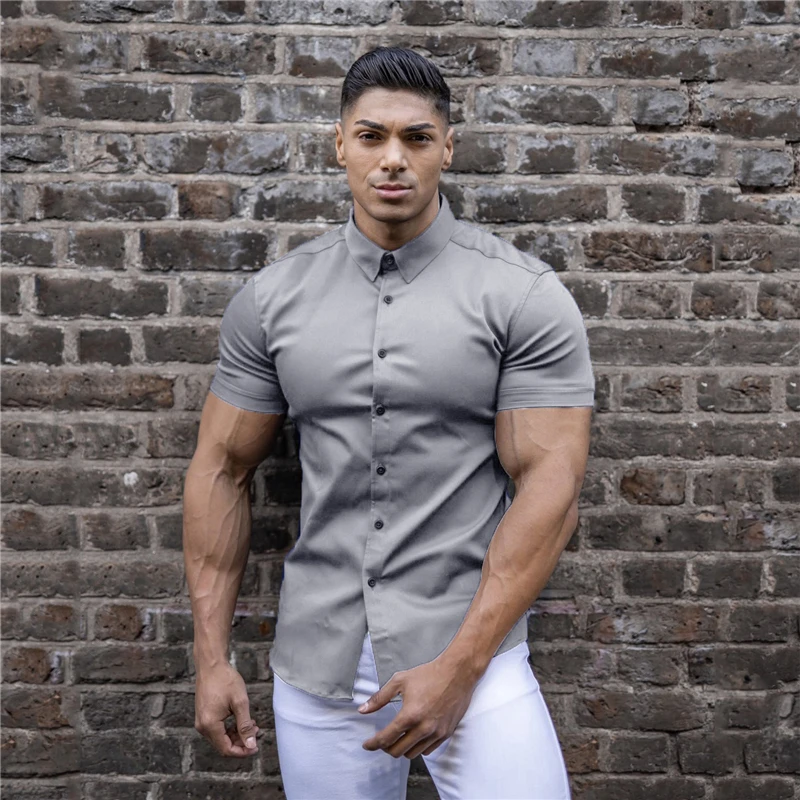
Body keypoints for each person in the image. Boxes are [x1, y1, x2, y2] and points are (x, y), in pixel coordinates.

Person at [184, 45, 594, 800]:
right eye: (372, 136)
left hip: (473, 654)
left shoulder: (521, 295)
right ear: (340, 145)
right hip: (320, 661)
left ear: (448, 148)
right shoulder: (272, 300)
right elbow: (222, 470)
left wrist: (462, 666)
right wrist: (212, 660)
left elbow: (552, 488)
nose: (394, 158)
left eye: (417, 138)